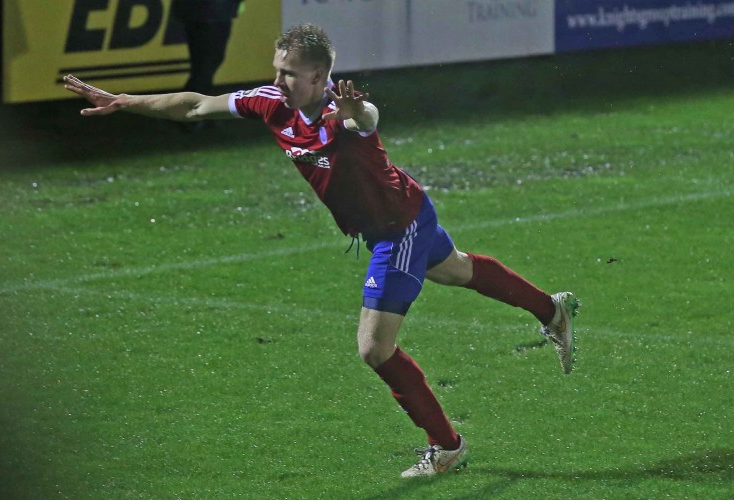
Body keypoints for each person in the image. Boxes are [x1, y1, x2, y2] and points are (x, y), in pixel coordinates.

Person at [63, 23, 580, 479]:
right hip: (405, 208)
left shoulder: (340, 113)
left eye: (289, 73)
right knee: (457, 269)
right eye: (277, 70)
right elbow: (197, 103)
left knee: (374, 350)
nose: (279, 80)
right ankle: (552, 310)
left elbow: (366, 120)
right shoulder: (272, 102)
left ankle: (447, 446)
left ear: (319, 77)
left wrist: (358, 109)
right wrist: (126, 101)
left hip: (397, 229)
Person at [171, 0, 244, 131]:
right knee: (207, 63)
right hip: (211, 12)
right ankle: (185, 111)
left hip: (201, 11)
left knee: (204, 64)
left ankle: (196, 112)